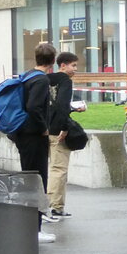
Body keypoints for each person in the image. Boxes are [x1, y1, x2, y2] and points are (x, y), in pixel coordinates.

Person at [7, 42, 56, 243]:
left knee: (30, 179)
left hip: (22, 135)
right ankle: (34, 229)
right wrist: (44, 128)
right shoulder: (41, 81)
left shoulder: (27, 76)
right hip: (34, 137)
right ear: (52, 61)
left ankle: (31, 227)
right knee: (37, 181)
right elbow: (34, 108)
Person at [46, 51, 83, 221]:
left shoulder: (46, 79)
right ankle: (54, 207)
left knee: (47, 169)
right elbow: (61, 106)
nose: (75, 69)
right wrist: (65, 127)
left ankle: (48, 206)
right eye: (73, 65)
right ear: (63, 65)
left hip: (42, 129)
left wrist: (73, 108)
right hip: (57, 131)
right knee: (59, 169)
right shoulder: (65, 81)